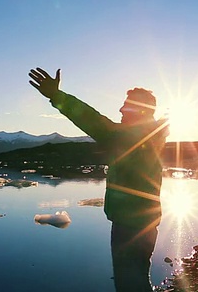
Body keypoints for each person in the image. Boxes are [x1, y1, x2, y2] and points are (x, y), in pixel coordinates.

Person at [28, 67, 169, 292]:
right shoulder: (147, 135)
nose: (121, 108)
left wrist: (57, 96)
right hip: (141, 221)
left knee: (128, 282)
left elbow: (93, 121)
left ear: (142, 111)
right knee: (136, 276)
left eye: (128, 104)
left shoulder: (131, 137)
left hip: (130, 224)